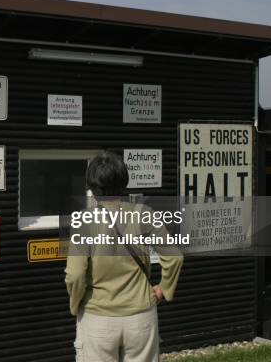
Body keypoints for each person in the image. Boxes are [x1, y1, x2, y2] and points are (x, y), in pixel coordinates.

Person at [65, 151, 184, 362]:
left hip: (98, 318)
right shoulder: (143, 212)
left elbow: (75, 275)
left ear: (91, 186)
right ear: (124, 181)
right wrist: (164, 289)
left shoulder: (83, 221)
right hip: (141, 317)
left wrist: (75, 305)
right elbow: (174, 256)